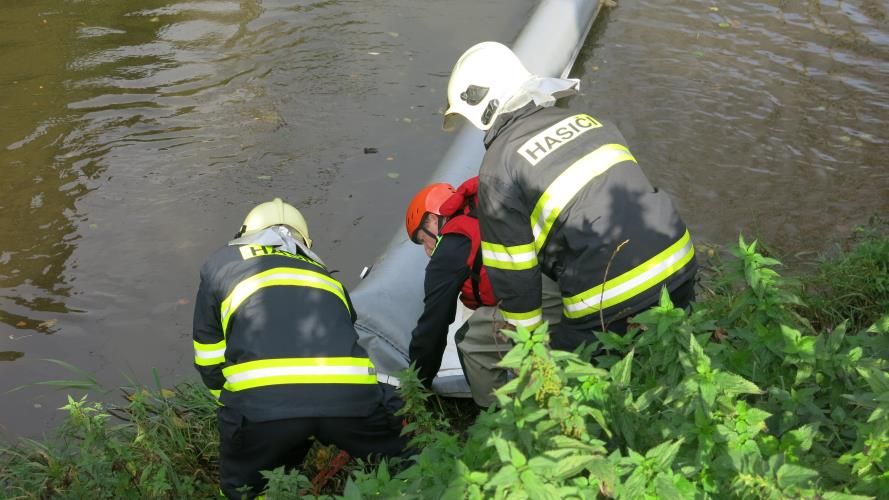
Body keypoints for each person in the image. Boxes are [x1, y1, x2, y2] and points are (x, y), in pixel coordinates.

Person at [441, 42, 698, 352]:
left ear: (483, 107)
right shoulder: (592, 122)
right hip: (680, 265)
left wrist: (530, 351)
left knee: (562, 373)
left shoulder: (499, 168)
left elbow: (514, 276)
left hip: (612, 298)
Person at [192, 198, 407, 499]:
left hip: (263, 410)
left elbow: (209, 355)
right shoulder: (325, 276)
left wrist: (231, 403)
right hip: (351, 402)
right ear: (303, 242)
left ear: (245, 234)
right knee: (401, 466)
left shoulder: (221, 264)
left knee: (242, 489)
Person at [405, 177, 561, 406]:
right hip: (564, 279)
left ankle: (498, 418)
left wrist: (418, 384)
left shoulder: (451, 247)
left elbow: (433, 327)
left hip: (541, 297)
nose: (428, 250)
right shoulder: (485, 209)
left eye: (424, 239)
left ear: (432, 219)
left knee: (469, 340)